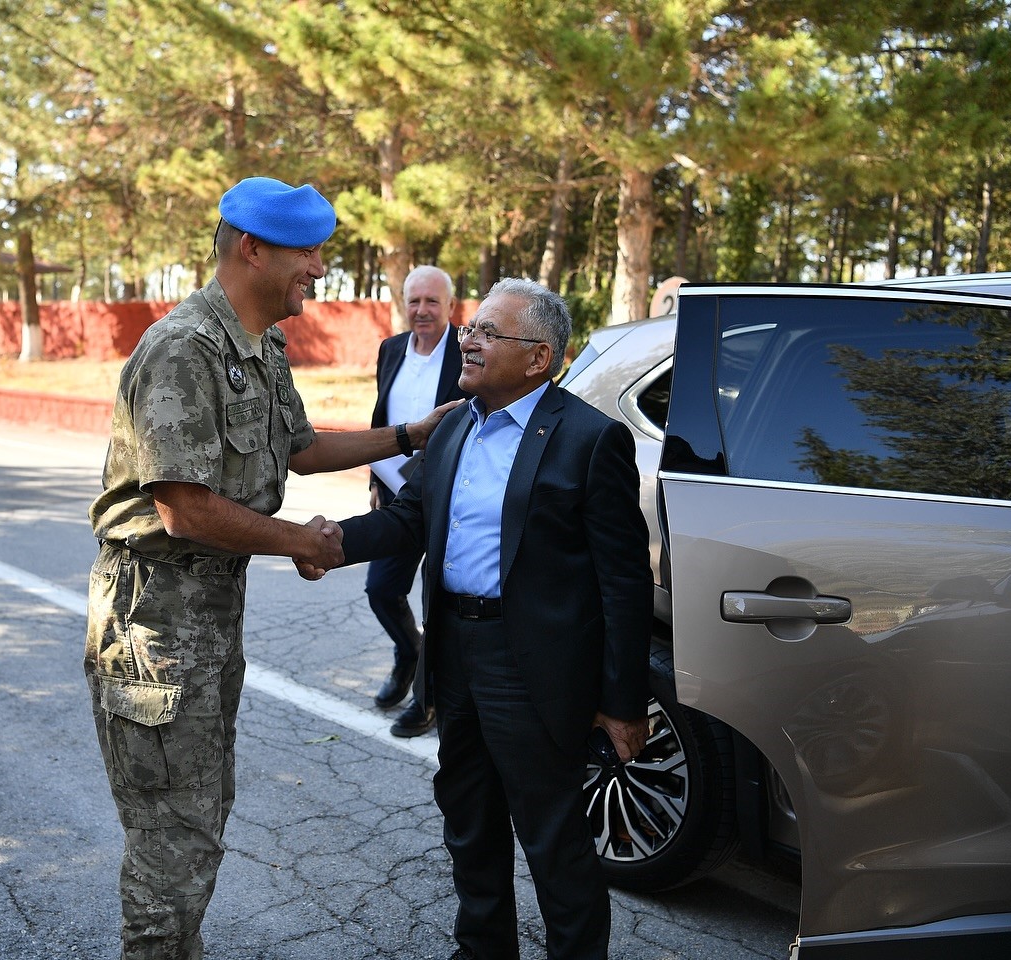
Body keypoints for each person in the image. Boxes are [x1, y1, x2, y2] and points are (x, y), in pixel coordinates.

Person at [84, 176, 460, 960]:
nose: (319, 269)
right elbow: (182, 508)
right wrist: (302, 541)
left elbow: (302, 445)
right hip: (155, 621)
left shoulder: (257, 344)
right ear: (252, 248)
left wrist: (412, 435)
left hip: (208, 616)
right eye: (308, 251)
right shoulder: (185, 348)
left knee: (202, 816)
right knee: (171, 846)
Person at [301, 278, 654, 960]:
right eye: (473, 327)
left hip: (533, 664)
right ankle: (483, 948)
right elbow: (410, 519)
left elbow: (624, 582)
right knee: (468, 817)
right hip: (454, 651)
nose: (468, 338)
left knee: (553, 836)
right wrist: (331, 543)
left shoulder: (589, 440)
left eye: (490, 332)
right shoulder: (455, 423)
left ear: (538, 357)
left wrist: (622, 701)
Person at [365, 264, 469, 737]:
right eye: (414, 301)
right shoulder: (390, 349)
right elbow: (381, 417)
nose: (422, 311)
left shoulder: (467, 351)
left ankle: (426, 700)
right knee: (382, 589)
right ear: (403, 304)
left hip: (451, 495)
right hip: (396, 495)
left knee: (438, 601)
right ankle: (409, 654)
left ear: (450, 306)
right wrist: (374, 479)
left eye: (432, 301)